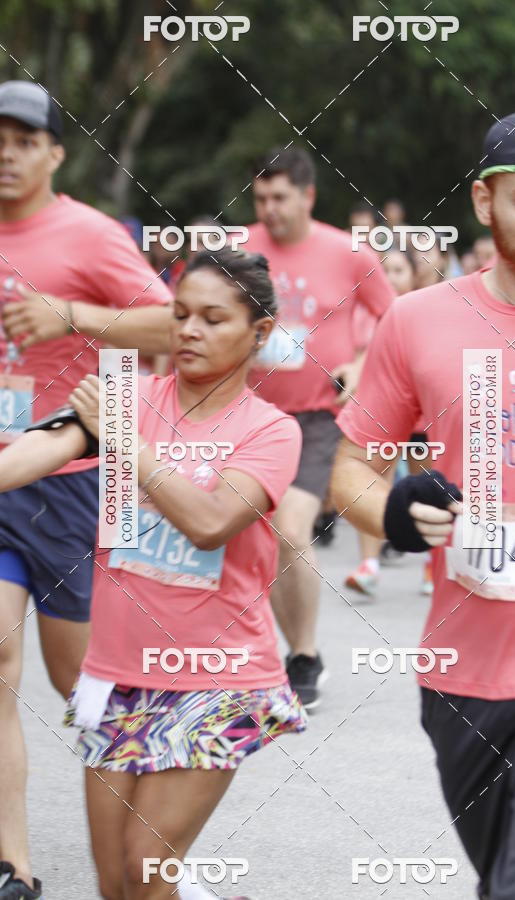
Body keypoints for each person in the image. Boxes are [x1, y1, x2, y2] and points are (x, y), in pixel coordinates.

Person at [332, 106, 515, 900]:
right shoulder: (418, 321)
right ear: (485, 201)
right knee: (508, 879)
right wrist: (394, 512)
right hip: (462, 677)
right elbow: (352, 469)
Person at [0, 248, 306, 900]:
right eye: (181, 314)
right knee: (117, 885)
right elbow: (45, 446)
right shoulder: (128, 396)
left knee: (147, 868)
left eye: (212, 319)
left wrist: (128, 444)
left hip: (219, 679)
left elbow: (211, 521)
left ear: (259, 332)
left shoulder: (272, 431)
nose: (189, 330)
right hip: (117, 676)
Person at [0, 79, 173, 899]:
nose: (6, 153)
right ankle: (13, 867)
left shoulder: (91, 235)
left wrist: (69, 314)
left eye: (24, 141)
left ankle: (148, 842)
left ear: (56, 154)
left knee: (84, 687)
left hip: (74, 484)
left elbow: (171, 325)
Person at [245, 147, 395, 709]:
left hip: (319, 417)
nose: (270, 209)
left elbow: (396, 319)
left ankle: (304, 656)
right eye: (261, 198)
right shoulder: (238, 250)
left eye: (280, 197)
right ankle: (284, 653)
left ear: (308, 196)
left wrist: (360, 361)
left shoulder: (349, 253)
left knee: (289, 528)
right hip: (250, 415)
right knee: (255, 539)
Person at [345, 243, 417, 595]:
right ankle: (369, 564)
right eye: (383, 271)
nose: (390, 278)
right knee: (372, 479)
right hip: (381, 409)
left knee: (429, 483)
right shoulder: (364, 315)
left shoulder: (426, 311)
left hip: (424, 416)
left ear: (414, 275)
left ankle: (434, 567)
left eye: (399, 271)